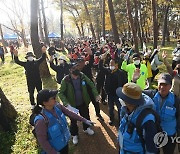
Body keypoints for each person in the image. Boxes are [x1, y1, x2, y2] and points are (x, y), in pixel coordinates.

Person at [33, 89, 94, 154]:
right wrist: (53, 152)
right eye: (53, 98)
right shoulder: (41, 120)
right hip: (54, 149)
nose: (55, 99)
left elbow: (70, 113)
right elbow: (42, 141)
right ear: (45, 103)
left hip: (64, 143)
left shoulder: (57, 106)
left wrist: (84, 120)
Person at [58, 62, 100, 145]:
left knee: (86, 115)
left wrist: (96, 94)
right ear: (70, 70)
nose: (76, 69)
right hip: (72, 105)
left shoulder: (82, 76)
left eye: (77, 67)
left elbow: (91, 84)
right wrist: (66, 103)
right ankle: (74, 135)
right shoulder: (66, 80)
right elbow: (60, 93)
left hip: (83, 102)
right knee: (73, 121)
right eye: (74, 68)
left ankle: (86, 128)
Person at [116, 82, 158, 154]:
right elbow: (122, 127)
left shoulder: (147, 119)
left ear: (129, 102)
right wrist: (119, 141)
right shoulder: (124, 109)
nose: (121, 99)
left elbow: (151, 147)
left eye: (123, 97)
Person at [144, 73, 180, 154]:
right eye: (160, 84)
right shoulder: (151, 95)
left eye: (165, 85)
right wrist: (134, 80)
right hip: (153, 133)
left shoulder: (176, 100)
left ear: (170, 86)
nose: (162, 87)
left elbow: (178, 118)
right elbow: (135, 93)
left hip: (169, 135)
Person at [99, 56, 127, 125]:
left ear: (116, 65)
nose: (110, 65)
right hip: (110, 93)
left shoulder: (121, 73)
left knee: (120, 108)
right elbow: (100, 68)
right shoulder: (108, 71)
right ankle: (112, 119)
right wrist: (101, 60)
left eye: (112, 64)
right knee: (110, 108)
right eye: (110, 64)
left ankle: (121, 120)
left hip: (118, 94)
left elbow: (124, 83)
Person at [77, 57, 104, 121]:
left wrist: (91, 54)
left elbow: (91, 61)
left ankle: (98, 114)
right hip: (83, 91)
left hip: (91, 89)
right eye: (80, 62)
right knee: (85, 105)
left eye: (82, 62)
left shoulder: (87, 66)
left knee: (96, 102)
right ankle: (87, 118)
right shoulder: (76, 70)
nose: (81, 63)